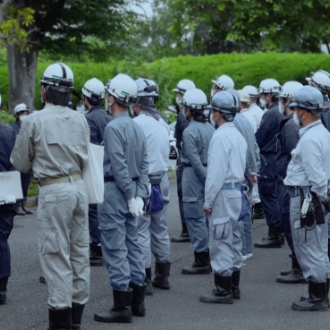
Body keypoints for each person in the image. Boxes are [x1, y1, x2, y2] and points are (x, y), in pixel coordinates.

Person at [11, 62, 90, 329]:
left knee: (56, 254)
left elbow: (20, 162)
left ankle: (60, 320)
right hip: (79, 186)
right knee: (79, 251)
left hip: (53, 189)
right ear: (69, 93)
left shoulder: (34, 120)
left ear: (44, 89)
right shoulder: (81, 119)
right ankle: (76, 320)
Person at [94, 74, 149, 324]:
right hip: (132, 192)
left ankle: (121, 308)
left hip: (116, 192)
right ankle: (137, 303)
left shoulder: (113, 127)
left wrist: (128, 195)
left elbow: (119, 167)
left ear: (113, 97)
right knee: (133, 245)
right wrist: (138, 194)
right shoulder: (136, 126)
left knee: (115, 248)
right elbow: (144, 164)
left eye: (108, 94)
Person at [284, 86, 330, 311]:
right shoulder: (321, 133)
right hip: (313, 198)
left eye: (297, 107)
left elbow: (316, 176)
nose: (294, 111)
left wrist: (322, 197)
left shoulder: (311, 139)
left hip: (307, 198)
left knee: (308, 245)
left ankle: (317, 297)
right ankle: (320, 295)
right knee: (318, 246)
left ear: (304, 111)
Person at [200, 91, 247, 304]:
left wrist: (208, 201)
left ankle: (223, 290)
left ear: (218, 113)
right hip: (238, 191)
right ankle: (234, 286)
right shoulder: (237, 134)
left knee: (220, 239)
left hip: (224, 192)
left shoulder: (219, 136)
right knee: (235, 238)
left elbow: (215, 173)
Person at [132, 78, 171, 296]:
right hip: (162, 180)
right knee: (160, 228)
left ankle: (144, 279)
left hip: (144, 183)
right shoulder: (162, 122)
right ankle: (163, 276)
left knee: (141, 230)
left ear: (137, 101)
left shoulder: (137, 124)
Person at [180, 88, 215, 275]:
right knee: (208, 217)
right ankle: (208, 255)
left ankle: (201, 259)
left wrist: (205, 178)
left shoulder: (189, 131)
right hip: (208, 171)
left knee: (194, 216)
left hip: (194, 176)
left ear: (190, 109)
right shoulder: (211, 128)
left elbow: (193, 160)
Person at [275, 81, 306, 284]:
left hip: (289, 185)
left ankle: (300, 268)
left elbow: (295, 157)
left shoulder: (290, 127)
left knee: (291, 225)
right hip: (288, 183)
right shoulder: (295, 124)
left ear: (289, 100)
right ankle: (297, 264)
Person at [83, 77, 112, 267]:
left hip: (94, 169)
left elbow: (90, 147)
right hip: (109, 170)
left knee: (93, 211)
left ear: (86, 98)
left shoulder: (88, 119)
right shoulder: (110, 118)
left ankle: (96, 249)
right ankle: (106, 245)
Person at [227, 88, 258, 261]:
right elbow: (255, 148)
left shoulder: (234, 123)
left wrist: (246, 170)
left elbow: (241, 150)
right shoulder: (245, 120)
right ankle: (247, 249)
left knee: (238, 214)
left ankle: (241, 251)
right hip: (249, 170)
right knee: (245, 212)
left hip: (241, 172)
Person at [254, 79, 285, 248]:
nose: (261, 98)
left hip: (267, 159)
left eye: (262, 95)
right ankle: (278, 232)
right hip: (276, 159)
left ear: (268, 95)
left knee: (268, 195)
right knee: (275, 195)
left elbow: (259, 138)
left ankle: (274, 234)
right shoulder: (280, 111)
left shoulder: (270, 114)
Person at [171, 79, 196, 243]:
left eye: (179, 93)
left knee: (183, 194)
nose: (177, 96)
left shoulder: (183, 116)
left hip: (184, 158)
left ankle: (186, 229)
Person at [242, 85, 265, 221]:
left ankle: (257, 207)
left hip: (254, 150)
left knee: (253, 185)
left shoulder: (251, 114)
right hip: (257, 150)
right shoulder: (256, 111)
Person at [0, 117, 16, 305]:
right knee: (2, 236)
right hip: (7, 183)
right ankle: (2, 286)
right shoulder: (9, 131)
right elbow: (19, 161)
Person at [11, 103, 33, 216]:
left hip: (27, 160)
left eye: (26, 112)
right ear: (17, 114)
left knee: (25, 183)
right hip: (16, 161)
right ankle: (17, 205)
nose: (25, 114)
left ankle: (24, 204)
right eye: (22, 113)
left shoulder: (28, 127)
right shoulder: (12, 128)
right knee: (17, 183)